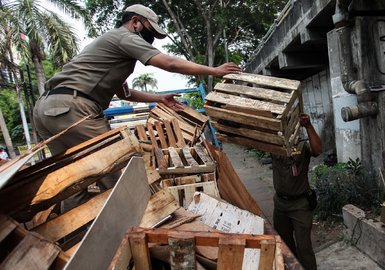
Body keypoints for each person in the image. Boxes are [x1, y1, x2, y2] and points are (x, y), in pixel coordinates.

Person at [32, 4, 241, 212]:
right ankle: (146, 223)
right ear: (134, 22)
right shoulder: (124, 37)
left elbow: (125, 94)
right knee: (118, 168)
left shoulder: (110, 51)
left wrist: (159, 98)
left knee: (73, 179)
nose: (149, 41)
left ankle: (73, 237)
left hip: (47, 109)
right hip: (73, 108)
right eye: (149, 33)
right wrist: (215, 70)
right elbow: (170, 64)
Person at [271, 113, 322, 270]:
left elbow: (318, 150)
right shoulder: (273, 144)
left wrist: (308, 126)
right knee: (285, 246)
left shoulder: (302, 144)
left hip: (300, 205)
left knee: (304, 247)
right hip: (280, 204)